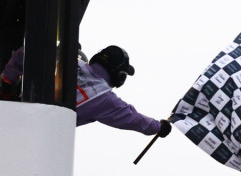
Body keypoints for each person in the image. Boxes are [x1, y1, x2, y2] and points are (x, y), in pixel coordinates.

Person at [1, 45, 170, 138]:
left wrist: (7, 85)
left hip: (11, 115)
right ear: (119, 76)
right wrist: (158, 127)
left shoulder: (66, 59)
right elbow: (134, 118)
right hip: (31, 136)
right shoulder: (104, 99)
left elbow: (25, 52)